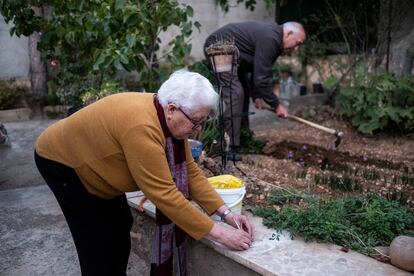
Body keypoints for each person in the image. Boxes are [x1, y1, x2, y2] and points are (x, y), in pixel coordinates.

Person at [34, 70, 254, 276]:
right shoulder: (142, 128)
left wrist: (226, 214)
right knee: (96, 239)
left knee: (120, 223)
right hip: (62, 161)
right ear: (172, 109)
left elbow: (189, 170)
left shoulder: (166, 115)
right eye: (196, 121)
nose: (198, 129)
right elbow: (164, 194)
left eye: (203, 121)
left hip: (93, 158)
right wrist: (219, 233)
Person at [204, 21, 306, 159]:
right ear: (288, 34)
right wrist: (276, 105)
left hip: (235, 53)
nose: (296, 49)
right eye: (298, 43)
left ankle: (242, 139)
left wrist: (256, 96)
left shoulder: (274, 40)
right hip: (219, 47)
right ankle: (228, 146)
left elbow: (257, 69)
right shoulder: (272, 38)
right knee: (235, 92)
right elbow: (261, 79)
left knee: (243, 91)